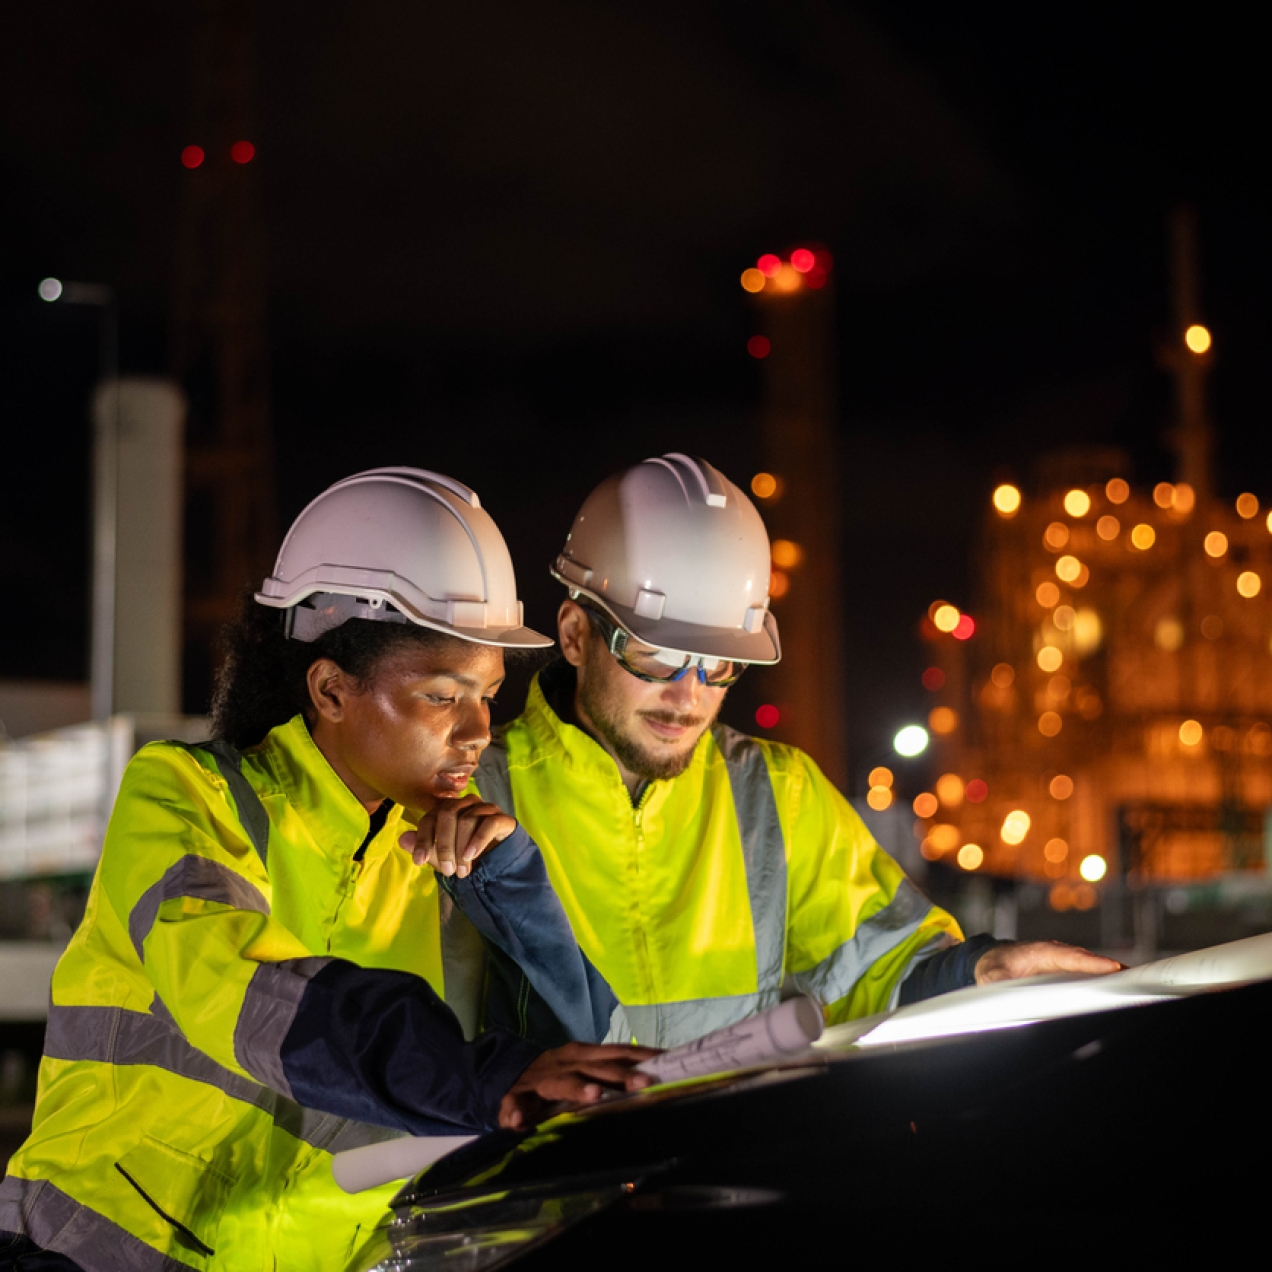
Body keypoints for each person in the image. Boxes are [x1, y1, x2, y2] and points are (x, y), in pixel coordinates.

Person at [0, 468, 652, 1272]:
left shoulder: (450, 865)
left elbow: (569, 1064)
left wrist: (513, 885)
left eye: (488, 695)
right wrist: (473, 1074)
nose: (480, 731)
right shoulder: (188, 795)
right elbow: (241, 989)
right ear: (332, 689)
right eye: (444, 697)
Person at [474, 453, 1120, 1047]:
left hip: (724, 1165)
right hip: (539, 1175)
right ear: (575, 633)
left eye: (719, 662)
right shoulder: (472, 794)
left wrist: (978, 969)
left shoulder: (778, 796)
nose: (688, 694)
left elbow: (877, 964)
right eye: (659, 653)